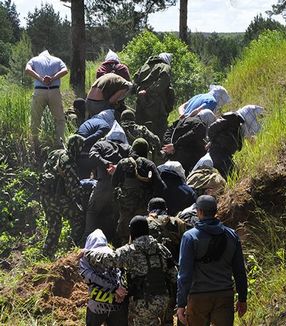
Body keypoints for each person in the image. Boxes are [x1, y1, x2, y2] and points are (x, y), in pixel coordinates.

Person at [83, 215, 178, 326]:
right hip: (163, 300)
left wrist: (87, 253)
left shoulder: (131, 250)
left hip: (143, 302)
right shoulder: (161, 248)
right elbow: (174, 274)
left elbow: (109, 260)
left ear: (132, 231)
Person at [176, 195, 248, 325]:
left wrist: (181, 303)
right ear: (216, 211)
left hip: (198, 296)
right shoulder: (232, 235)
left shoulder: (189, 237)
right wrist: (242, 298)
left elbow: (184, 274)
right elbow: (239, 270)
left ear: (199, 212)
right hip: (224, 295)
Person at [83, 122, 131, 243]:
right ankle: (114, 241)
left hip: (103, 185)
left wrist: (106, 164)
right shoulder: (127, 148)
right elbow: (134, 161)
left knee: (92, 211)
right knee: (115, 215)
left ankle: (86, 240)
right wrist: (118, 167)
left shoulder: (100, 144)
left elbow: (92, 155)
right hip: (120, 187)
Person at [112, 138, 166, 245]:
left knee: (125, 242)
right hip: (142, 213)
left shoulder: (122, 163)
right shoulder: (148, 164)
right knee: (143, 241)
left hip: (125, 212)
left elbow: (113, 183)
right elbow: (161, 187)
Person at [39, 134, 85, 257]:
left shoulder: (55, 153)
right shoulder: (69, 162)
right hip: (58, 197)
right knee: (79, 218)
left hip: (46, 196)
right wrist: (81, 199)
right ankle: (71, 250)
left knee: (54, 227)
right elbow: (73, 188)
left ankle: (46, 255)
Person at [80, 229, 128, 326]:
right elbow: (120, 273)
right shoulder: (112, 253)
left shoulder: (86, 256)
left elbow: (90, 277)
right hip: (116, 301)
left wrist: (115, 288)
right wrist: (118, 289)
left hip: (97, 303)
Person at [25, 50, 68, 152]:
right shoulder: (57, 60)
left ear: (40, 55)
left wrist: (40, 78)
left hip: (39, 91)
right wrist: (53, 78)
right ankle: (59, 144)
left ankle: (36, 145)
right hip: (54, 91)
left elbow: (27, 70)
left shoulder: (34, 60)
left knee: (36, 119)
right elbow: (65, 70)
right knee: (59, 120)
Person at [134, 53, 175, 141]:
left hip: (141, 103)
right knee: (159, 133)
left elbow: (135, 80)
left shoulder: (144, 66)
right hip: (157, 106)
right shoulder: (165, 66)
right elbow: (163, 82)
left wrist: (140, 92)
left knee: (140, 130)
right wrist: (148, 91)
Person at [162, 109, 216, 175]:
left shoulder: (181, 120)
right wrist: (174, 146)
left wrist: (169, 145)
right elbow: (191, 135)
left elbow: (168, 132)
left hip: (171, 156)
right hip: (186, 160)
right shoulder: (200, 124)